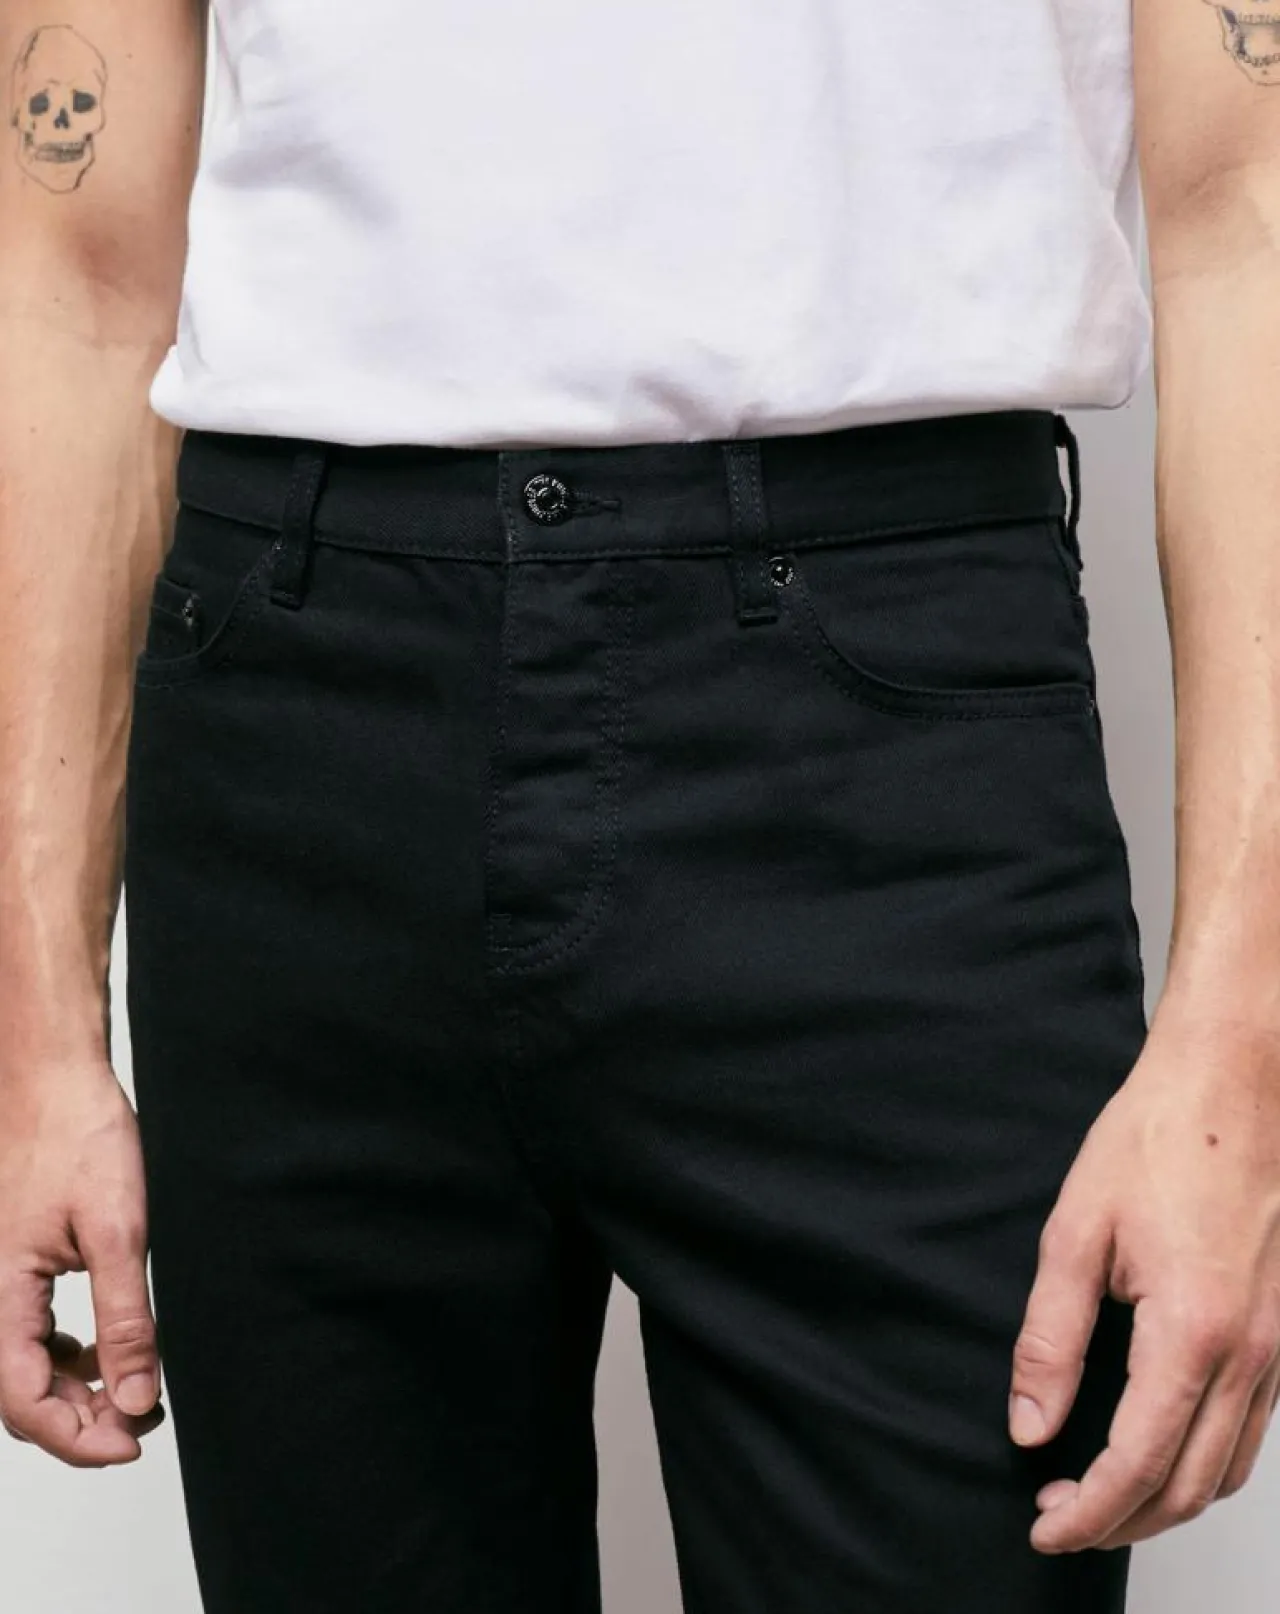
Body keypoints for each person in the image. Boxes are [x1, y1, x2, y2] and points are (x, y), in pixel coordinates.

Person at [2, 1, 1279, 1610]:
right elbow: (75, 267)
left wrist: (1246, 1044)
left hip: (888, 733)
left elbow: (1251, 202)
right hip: (299, 722)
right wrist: (32, 1030)